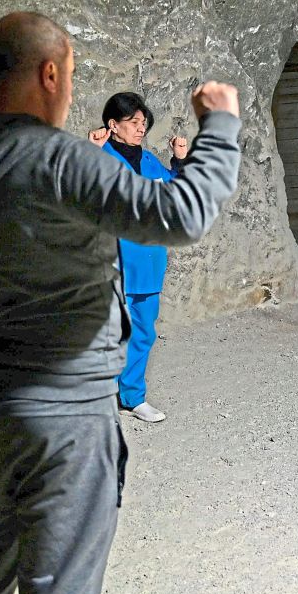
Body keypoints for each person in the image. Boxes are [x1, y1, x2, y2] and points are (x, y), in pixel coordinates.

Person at [0, 11, 241, 594]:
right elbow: (183, 215)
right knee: (58, 591)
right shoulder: (61, 160)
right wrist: (220, 125)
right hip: (67, 410)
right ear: (51, 73)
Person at [87, 92, 189, 423]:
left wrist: (179, 161)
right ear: (112, 125)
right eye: (133, 122)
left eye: (143, 122)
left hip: (147, 261)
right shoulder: (100, 156)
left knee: (143, 331)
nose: (140, 127)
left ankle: (133, 397)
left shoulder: (149, 163)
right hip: (110, 262)